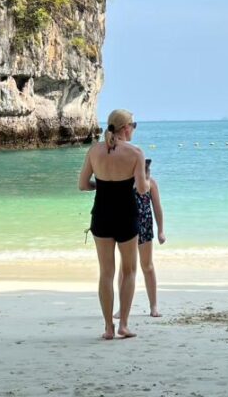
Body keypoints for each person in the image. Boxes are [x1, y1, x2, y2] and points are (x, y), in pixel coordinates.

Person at [79, 109, 149, 340]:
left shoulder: (94, 150)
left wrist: (101, 186)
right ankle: (124, 325)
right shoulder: (135, 153)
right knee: (129, 271)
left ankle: (108, 327)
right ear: (126, 127)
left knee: (106, 273)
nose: (134, 129)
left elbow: (82, 185)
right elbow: (141, 189)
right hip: (126, 216)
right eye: (134, 125)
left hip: (101, 215)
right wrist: (146, 184)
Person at [115, 158, 166, 318]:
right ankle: (121, 307)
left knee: (147, 266)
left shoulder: (151, 184)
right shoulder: (124, 183)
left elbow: (157, 208)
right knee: (125, 268)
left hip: (145, 227)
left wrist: (161, 231)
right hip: (126, 228)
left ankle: (153, 306)